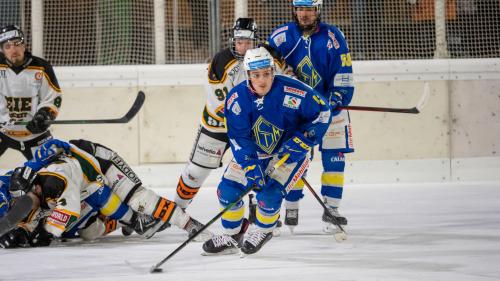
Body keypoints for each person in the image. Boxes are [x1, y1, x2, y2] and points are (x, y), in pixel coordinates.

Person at [202, 47, 331, 255]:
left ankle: (263, 230)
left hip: (289, 154)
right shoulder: (236, 99)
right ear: (248, 75)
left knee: (269, 195)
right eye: (256, 75)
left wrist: (306, 138)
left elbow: (323, 112)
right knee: (228, 191)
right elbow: (239, 138)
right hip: (255, 153)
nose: (262, 80)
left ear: (273, 71)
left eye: (266, 74)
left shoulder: (294, 90)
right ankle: (232, 234)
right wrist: (250, 165)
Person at [0, 139, 210, 247]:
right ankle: (124, 221)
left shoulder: (55, 180)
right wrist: (23, 231)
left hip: (100, 162)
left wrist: (46, 232)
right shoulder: (31, 188)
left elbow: (68, 208)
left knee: (138, 199)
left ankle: (190, 224)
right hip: (89, 186)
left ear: (35, 187)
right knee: (87, 232)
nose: (26, 204)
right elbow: (33, 213)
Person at [174, 18, 289, 211]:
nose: (243, 47)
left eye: (248, 42)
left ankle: (258, 207)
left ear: (256, 41)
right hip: (218, 125)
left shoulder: (270, 57)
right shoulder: (221, 62)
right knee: (196, 171)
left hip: (253, 127)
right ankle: (176, 209)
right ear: (233, 40)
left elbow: (282, 86)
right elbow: (221, 105)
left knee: (255, 169)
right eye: (239, 42)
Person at [267, 0, 355, 233]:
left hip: (331, 108)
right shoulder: (279, 37)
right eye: (300, 9)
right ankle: (291, 205)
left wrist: (337, 99)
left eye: (309, 9)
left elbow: (344, 73)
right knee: (294, 156)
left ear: (318, 10)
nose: (304, 14)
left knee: (335, 157)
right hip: (297, 110)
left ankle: (332, 209)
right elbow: (263, 70)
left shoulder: (334, 37)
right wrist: (281, 73)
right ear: (294, 10)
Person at [0, 25, 62, 160]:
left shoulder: (41, 67)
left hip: (34, 134)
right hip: (3, 131)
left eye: (17, 44)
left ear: (24, 45)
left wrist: (44, 115)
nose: (13, 49)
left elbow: (53, 98)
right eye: (7, 46)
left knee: (53, 168)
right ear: (2, 50)